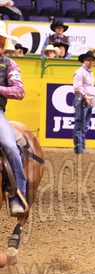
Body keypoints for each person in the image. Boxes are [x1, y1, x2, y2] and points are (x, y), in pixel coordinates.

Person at [0, 22, 26, 215]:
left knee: (10, 146)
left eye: (2, 39)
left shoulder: (10, 64)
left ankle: (17, 196)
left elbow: (19, 91)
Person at [73, 51, 95, 154]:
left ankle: (81, 147)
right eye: (89, 60)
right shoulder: (80, 72)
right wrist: (86, 98)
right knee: (80, 123)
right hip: (82, 100)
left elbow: (89, 87)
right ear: (84, 60)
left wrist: (92, 99)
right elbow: (77, 88)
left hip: (87, 100)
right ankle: (79, 147)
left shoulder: (89, 72)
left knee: (84, 124)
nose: (91, 62)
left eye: (92, 60)